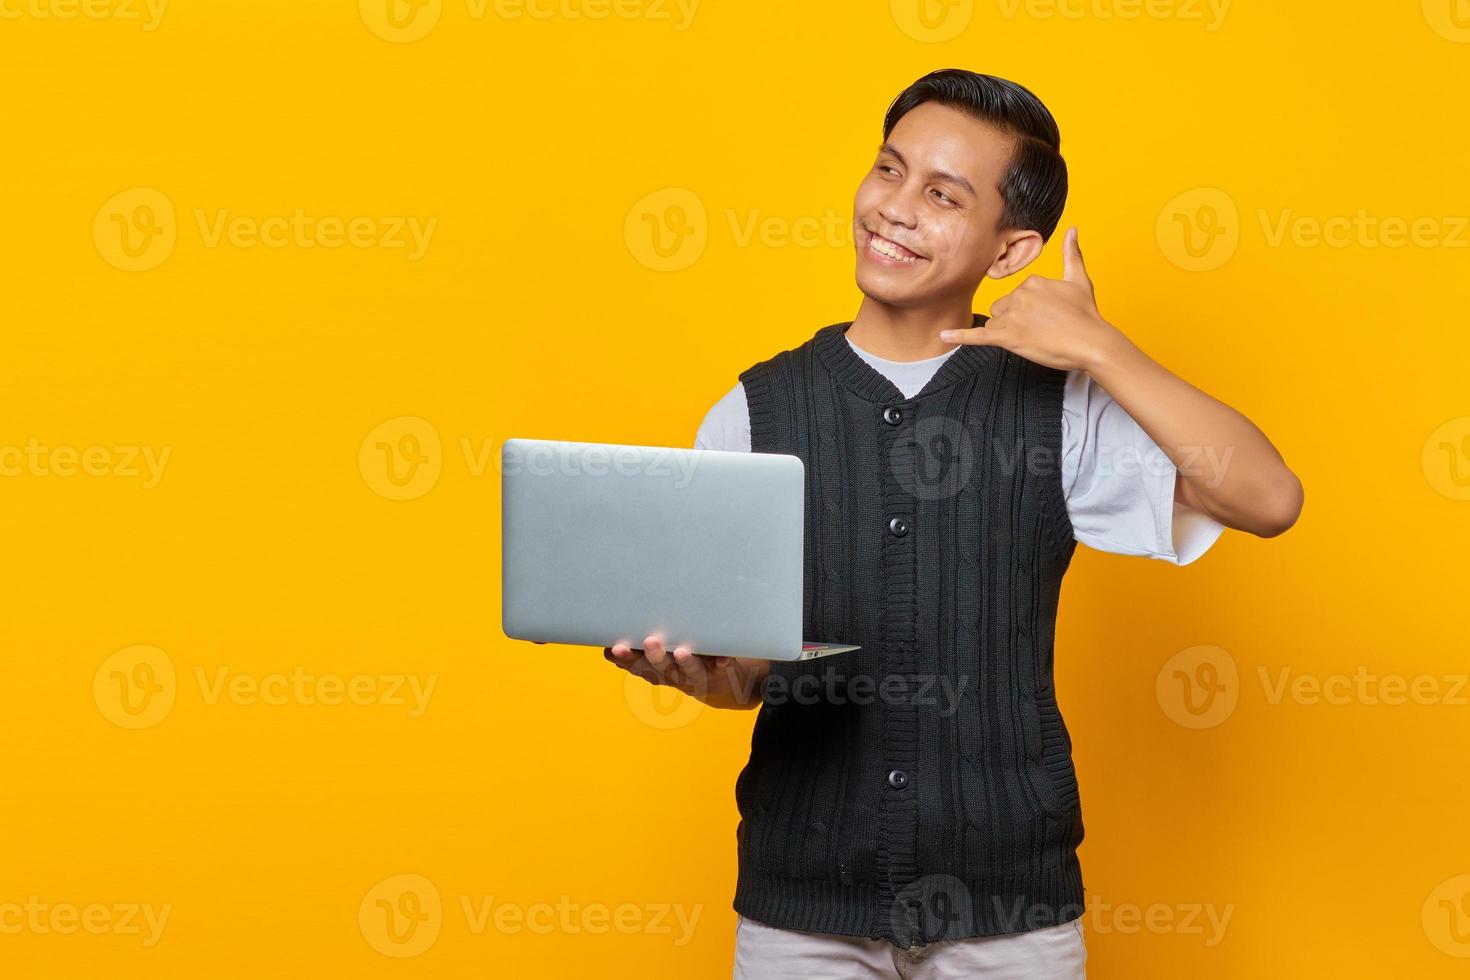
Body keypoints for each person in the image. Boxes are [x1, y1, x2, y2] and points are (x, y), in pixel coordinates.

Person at [605, 68, 1303, 979]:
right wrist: (697, 676)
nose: (894, 208)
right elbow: (748, 678)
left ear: (1010, 253)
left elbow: (1268, 499)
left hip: (1010, 917)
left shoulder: (1058, 412)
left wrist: (1101, 346)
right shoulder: (755, 410)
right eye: (888, 170)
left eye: (942, 196)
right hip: (802, 908)